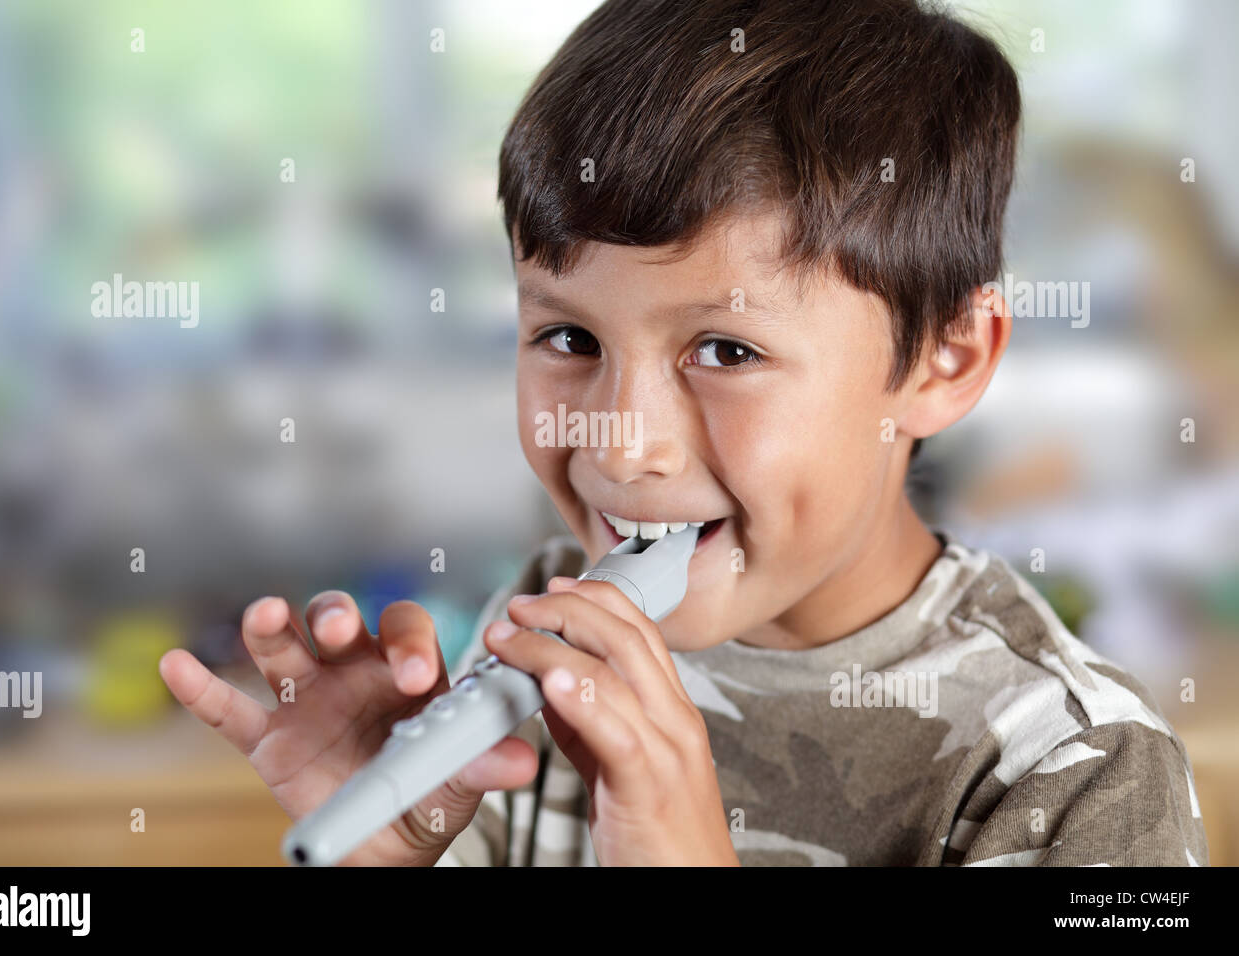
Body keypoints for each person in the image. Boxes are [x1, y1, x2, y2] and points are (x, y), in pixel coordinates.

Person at [159, 0, 1208, 866]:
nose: (619, 446)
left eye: (725, 351)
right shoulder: (536, 629)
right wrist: (392, 856)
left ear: (947, 359)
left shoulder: (1082, 770)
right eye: (567, 334)